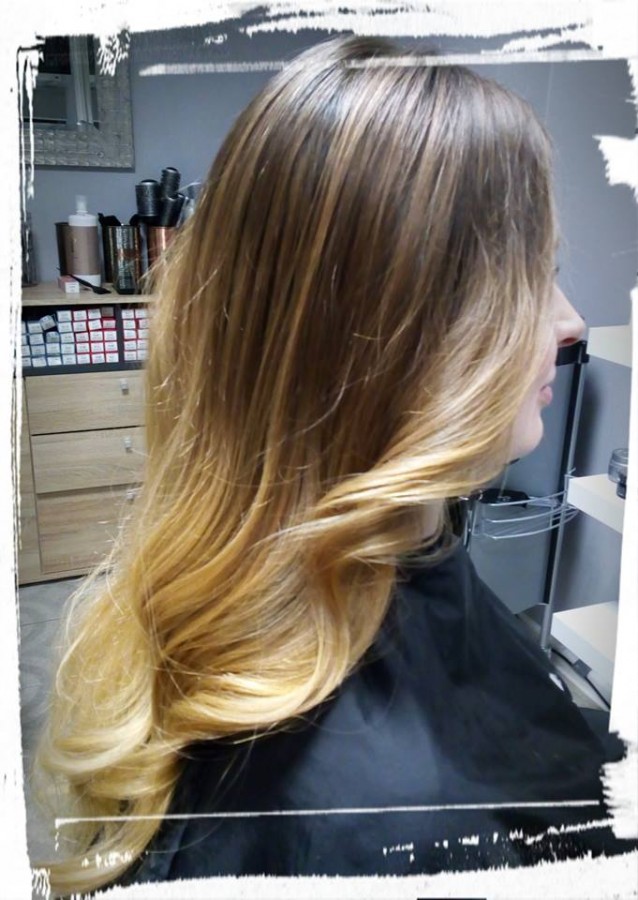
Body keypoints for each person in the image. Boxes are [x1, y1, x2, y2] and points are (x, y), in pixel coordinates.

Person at [35, 35, 633, 895]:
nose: (570, 322)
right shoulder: (382, 824)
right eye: (533, 278)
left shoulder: (345, 566)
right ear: (402, 337)